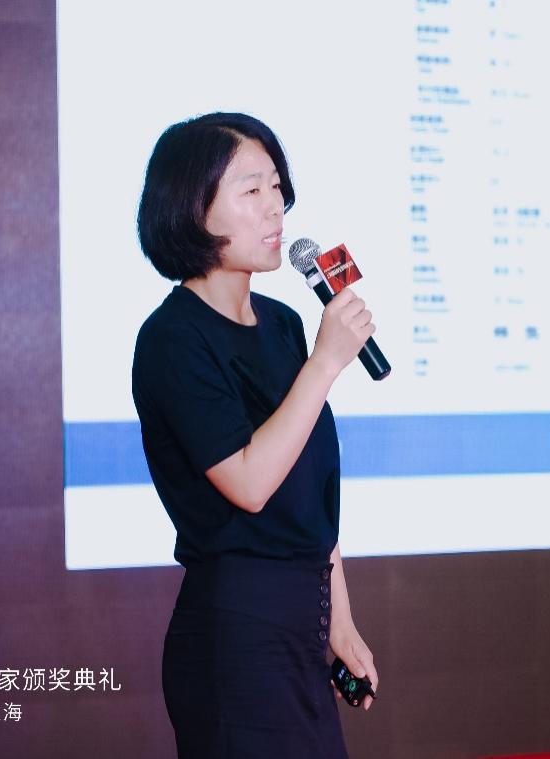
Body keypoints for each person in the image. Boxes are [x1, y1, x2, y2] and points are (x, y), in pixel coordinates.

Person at [131, 112, 378, 758]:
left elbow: (310, 494)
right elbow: (249, 483)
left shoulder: (284, 324)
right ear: (194, 209)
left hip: (304, 627)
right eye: (251, 190)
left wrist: (340, 621)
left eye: (276, 187)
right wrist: (325, 364)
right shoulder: (172, 339)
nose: (276, 207)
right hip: (235, 637)